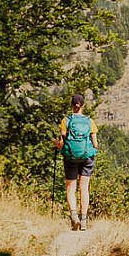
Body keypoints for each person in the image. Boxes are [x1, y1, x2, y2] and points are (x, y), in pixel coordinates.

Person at [54, 93, 99, 231]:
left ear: (71, 105)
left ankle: (74, 217)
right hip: (87, 157)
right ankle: (84, 220)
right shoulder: (90, 122)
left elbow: (62, 143)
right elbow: (95, 144)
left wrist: (56, 144)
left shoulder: (66, 121)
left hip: (71, 158)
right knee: (84, 187)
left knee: (70, 187)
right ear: (83, 105)